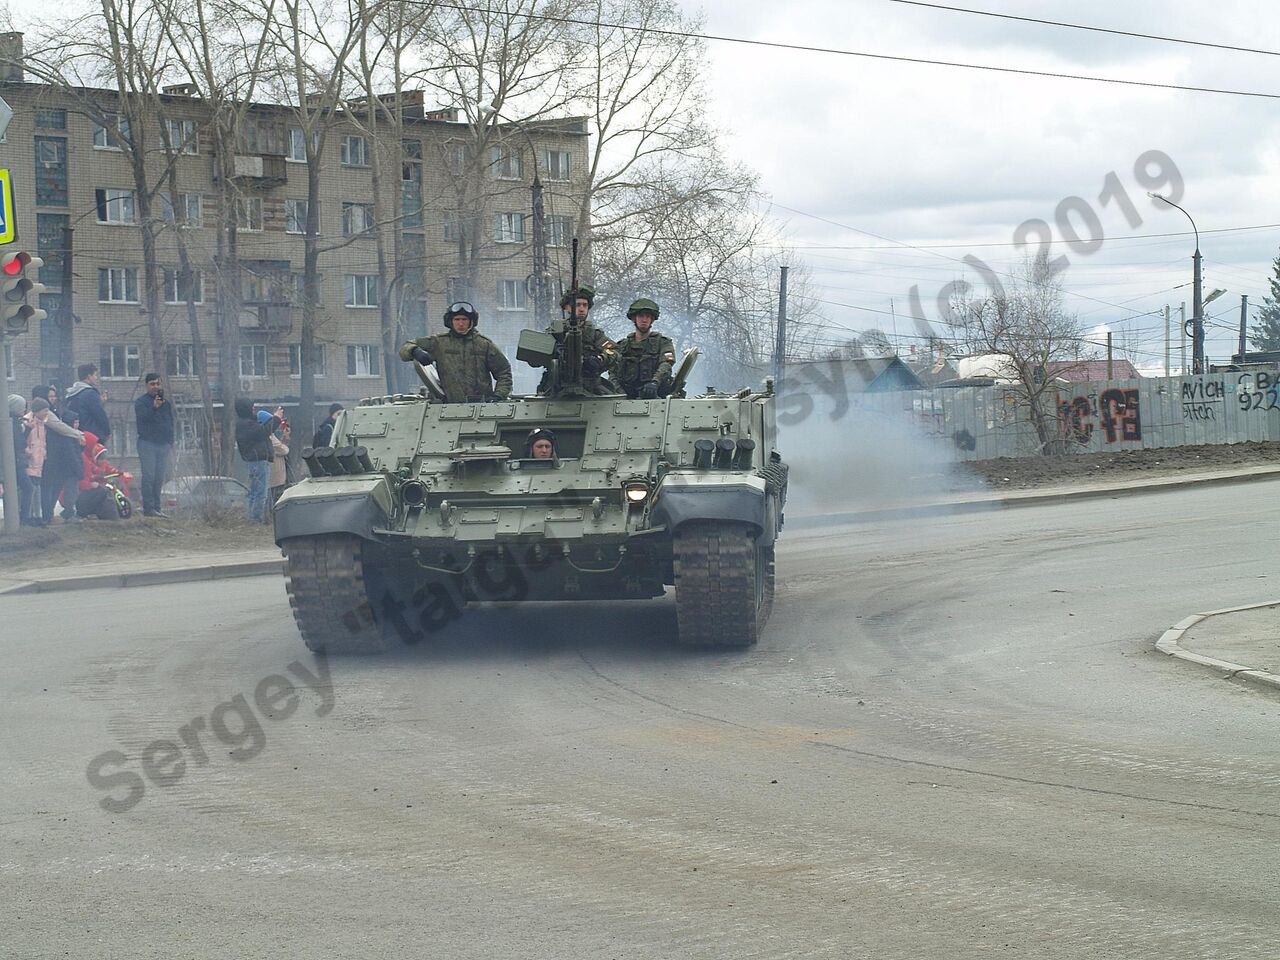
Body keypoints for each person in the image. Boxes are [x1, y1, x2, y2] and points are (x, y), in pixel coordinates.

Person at [399, 301, 513, 402]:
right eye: (457, 319)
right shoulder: (439, 343)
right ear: (450, 321)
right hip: (450, 407)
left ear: (471, 321)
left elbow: (504, 371)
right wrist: (415, 351)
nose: (461, 323)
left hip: (482, 407)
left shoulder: (484, 345)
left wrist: (499, 395)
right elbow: (406, 346)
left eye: (464, 319)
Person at [540, 286, 617, 395]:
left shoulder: (595, 334)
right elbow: (535, 355)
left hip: (590, 389)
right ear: (567, 307)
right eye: (577, 305)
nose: (581, 309)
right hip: (555, 390)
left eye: (585, 305)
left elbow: (613, 350)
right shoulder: (554, 331)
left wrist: (600, 359)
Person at [613, 298, 677, 399]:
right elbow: (613, 373)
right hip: (626, 397)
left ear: (652, 320)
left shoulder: (663, 342)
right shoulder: (622, 346)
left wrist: (655, 382)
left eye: (648, 316)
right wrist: (619, 392)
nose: (644, 320)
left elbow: (666, 364)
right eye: (641, 316)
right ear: (634, 318)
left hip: (655, 396)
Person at [134, 372, 175, 518]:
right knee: (149, 477)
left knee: (159, 477)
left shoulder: (166, 404)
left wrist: (171, 441)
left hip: (163, 445)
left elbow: (170, 423)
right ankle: (148, 508)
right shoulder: (141, 403)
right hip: (147, 444)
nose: (155, 387)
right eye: (152, 384)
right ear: (146, 386)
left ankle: (157, 508)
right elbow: (143, 418)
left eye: (158, 384)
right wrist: (154, 407)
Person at [235, 398, 282, 522]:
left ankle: (251, 518)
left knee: (253, 492)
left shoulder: (244, 423)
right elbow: (263, 431)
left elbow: (258, 423)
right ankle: (255, 519)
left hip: (253, 461)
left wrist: (268, 416)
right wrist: (276, 418)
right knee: (260, 493)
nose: (254, 409)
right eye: (252, 407)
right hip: (258, 461)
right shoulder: (247, 425)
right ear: (247, 409)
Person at [40, 402, 86, 522]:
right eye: (75, 422)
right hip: (70, 471)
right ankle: (68, 513)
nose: (77, 425)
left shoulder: (72, 437)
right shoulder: (68, 438)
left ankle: (63, 513)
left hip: (69, 470)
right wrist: (79, 471)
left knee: (66, 492)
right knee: (70, 493)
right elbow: (72, 456)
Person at [63, 363, 112, 444]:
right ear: (89, 376)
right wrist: (107, 432)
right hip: (92, 436)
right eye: (95, 375)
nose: (96, 378)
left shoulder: (72, 393)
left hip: (77, 435)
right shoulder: (90, 393)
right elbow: (99, 414)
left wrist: (101, 402)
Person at [7, 395, 33, 525]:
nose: (24, 410)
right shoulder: (13, 424)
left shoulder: (11, 422)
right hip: (16, 463)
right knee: (28, 488)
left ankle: (16, 517)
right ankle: (22, 518)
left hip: (14, 462)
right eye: (22, 407)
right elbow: (20, 443)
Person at [263, 410, 291, 517]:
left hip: (278, 474)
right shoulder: (269, 437)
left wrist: (285, 438)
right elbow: (283, 450)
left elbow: (282, 447)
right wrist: (284, 445)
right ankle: (269, 516)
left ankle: (271, 516)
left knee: (275, 496)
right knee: (272, 498)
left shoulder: (272, 436)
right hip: (274, 474)